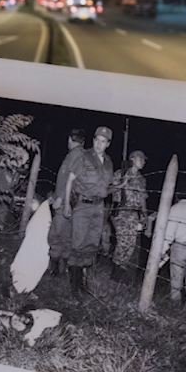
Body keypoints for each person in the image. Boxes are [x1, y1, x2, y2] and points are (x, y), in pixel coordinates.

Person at [63, 126, 114, 295]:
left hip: (99, 207)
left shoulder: (109, 162)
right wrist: (66, 204)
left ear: (108, 144)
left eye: (103, 141)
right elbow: (70, 181)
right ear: (93, 140)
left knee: (92, 245)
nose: (99, 144)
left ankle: (83, 284)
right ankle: (73, 287)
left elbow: (106, 187)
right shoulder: (83, 157)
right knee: (78, 244)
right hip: (82, 205)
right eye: (97, 140)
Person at [48, 129, 86, 277]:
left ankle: (55, 268)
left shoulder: (77, 156)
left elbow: (72, 181)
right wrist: (55, 195)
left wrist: (60, 199)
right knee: (65, 235)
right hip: (69, 201)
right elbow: (64, 180)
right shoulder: (76, 155)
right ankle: (60, 269)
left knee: (56, 234)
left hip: (67, 202)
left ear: (70, 139)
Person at [109, 149, 148, 282]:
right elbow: (109, 190)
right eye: (141, 158)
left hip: (134, 214)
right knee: (123, 242)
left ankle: (120, 271)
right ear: (133, 158)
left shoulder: (142, 180)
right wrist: (122, 183)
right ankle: (115, 273)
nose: (143, 162)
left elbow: (143, 199)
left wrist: (144, 216)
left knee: (130, 245)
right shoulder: (120, 173)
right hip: (121, 211)